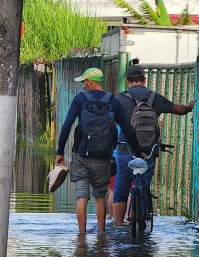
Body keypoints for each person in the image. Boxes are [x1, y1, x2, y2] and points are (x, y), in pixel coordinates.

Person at [56, 67, 142, 234]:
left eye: (84, 82)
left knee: (82, 197)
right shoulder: (113, 102)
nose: (83, 86)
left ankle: (81, 236)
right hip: (103, 157)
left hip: (80, 155)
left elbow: (67, 126)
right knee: (99, 197)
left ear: (91, 81)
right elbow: (128, 130)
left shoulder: (79, 100)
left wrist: (60, 152)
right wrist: (138, 153)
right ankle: (101, 235)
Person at [113, 64, 195, 226]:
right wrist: (190, 106)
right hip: (148, 152)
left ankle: (118, 226)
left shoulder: (120, 99)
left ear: (127, 81)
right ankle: (139, 220)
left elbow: (111, 122)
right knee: (143, 187)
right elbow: (179, 110)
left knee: (121, 190)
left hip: (124, 150)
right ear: (144, 79)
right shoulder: (154, 97)